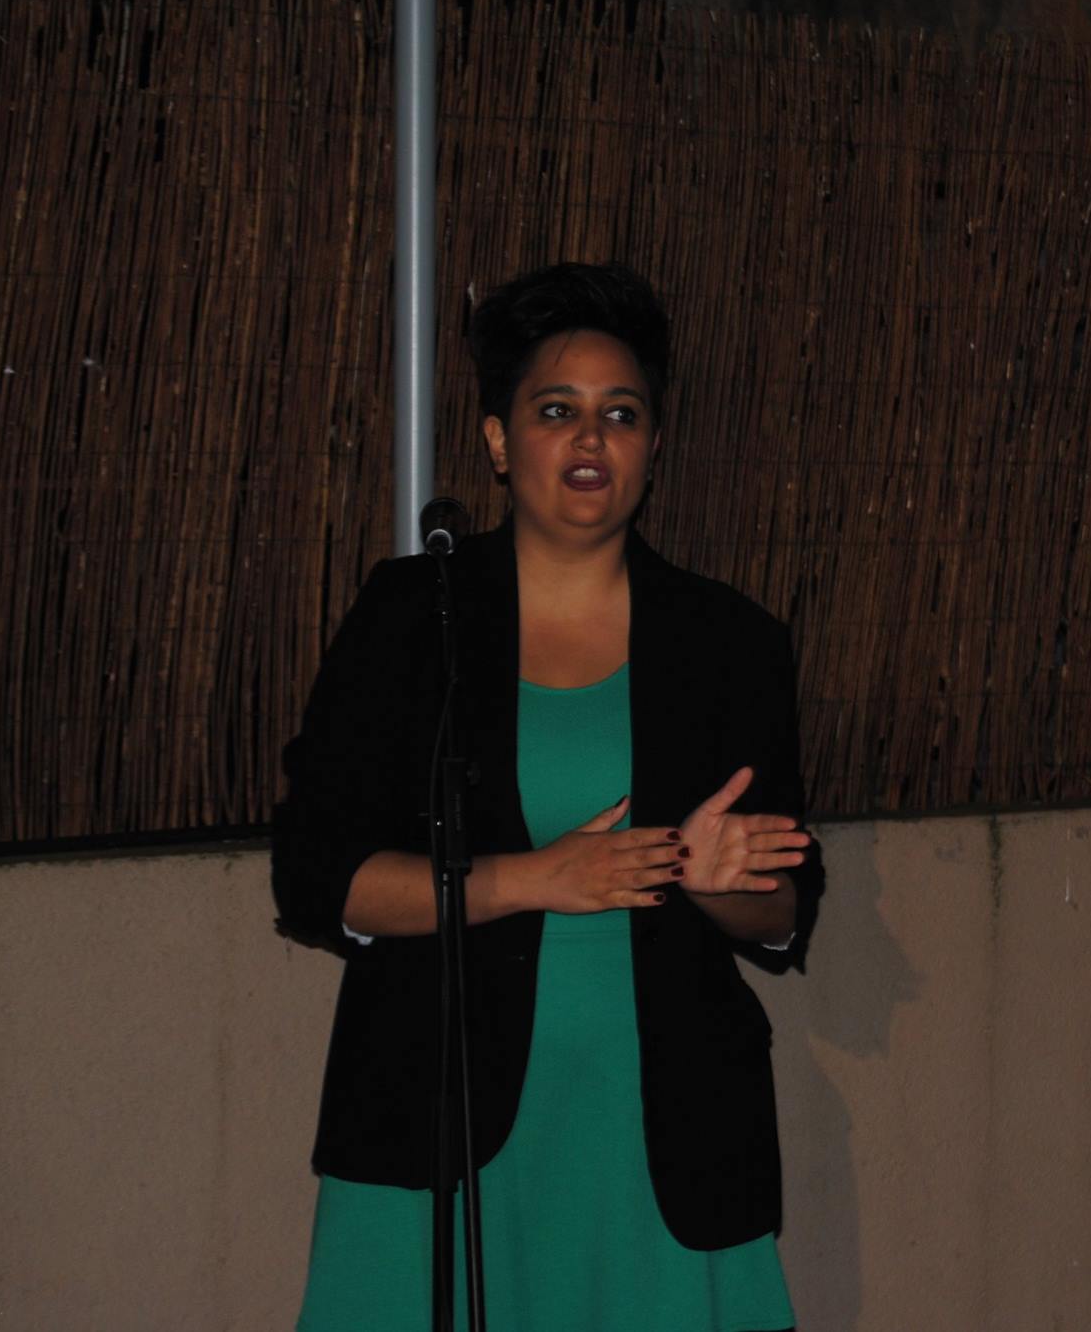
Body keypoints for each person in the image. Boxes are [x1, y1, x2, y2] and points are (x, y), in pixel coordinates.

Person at [271, 262, 820, 1332]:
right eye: (556, 410)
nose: (590, 438)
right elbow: (316, 877)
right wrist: (532, 879)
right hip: (438, 1115)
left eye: (622, 413)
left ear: (653, 445)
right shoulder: (410, 616)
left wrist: (718, 883)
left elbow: (783, 914)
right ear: (496, 438)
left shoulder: (730, 641)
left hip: (659, 1132)